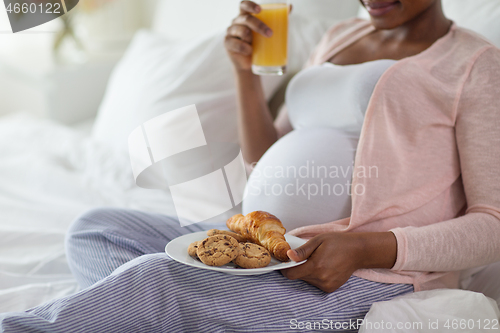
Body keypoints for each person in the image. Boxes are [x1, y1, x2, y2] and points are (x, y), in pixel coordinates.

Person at [1, 0, 499, 331]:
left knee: (154, 278)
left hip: (358, 275)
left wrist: (364, 246)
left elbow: (492, 224)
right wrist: (245, 75)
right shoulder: (340, 37)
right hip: (264, 246)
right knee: (96, 229)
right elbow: (267, 156)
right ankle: (186, 312)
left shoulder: (475, 65)